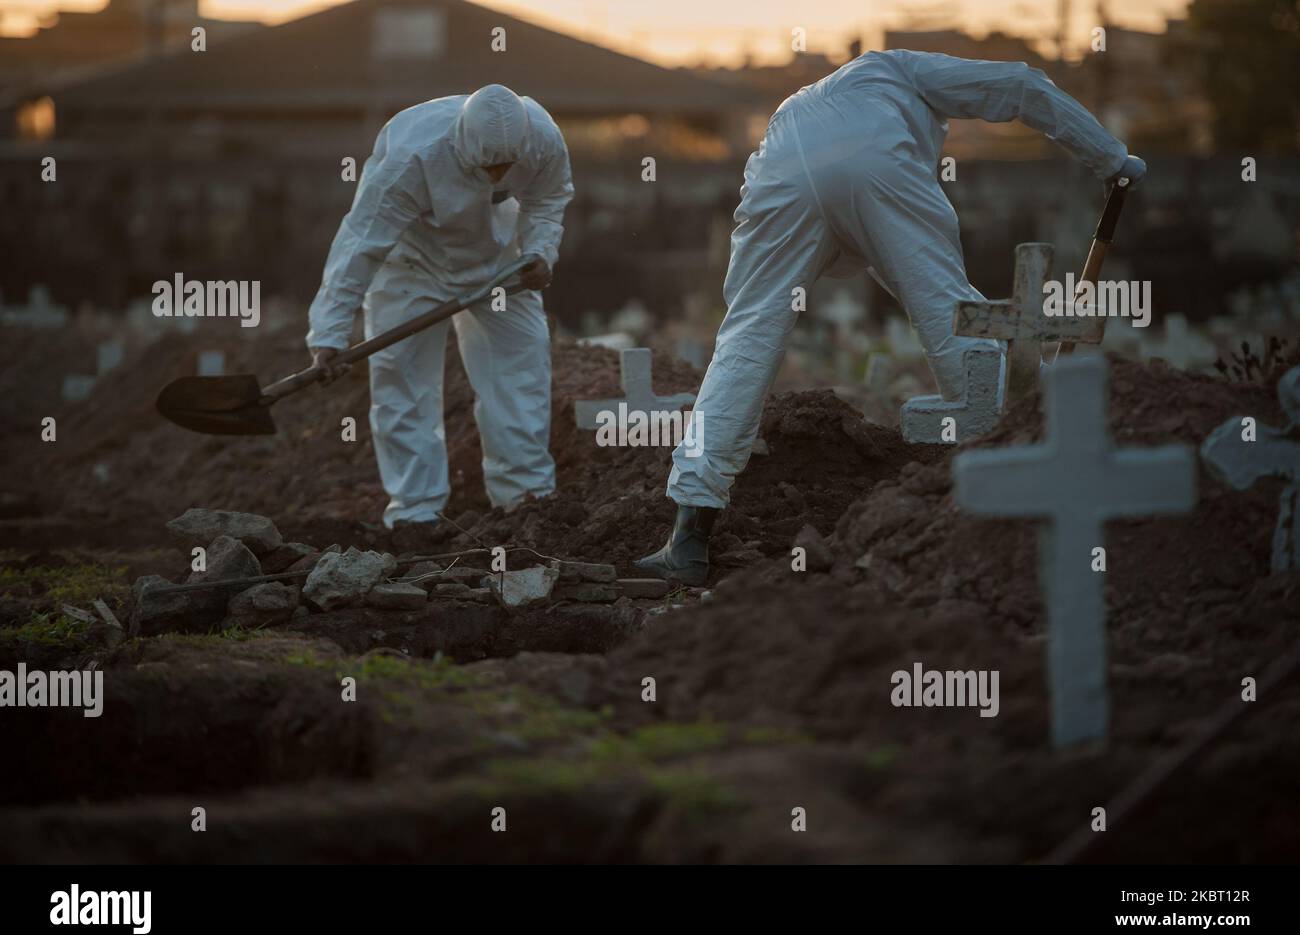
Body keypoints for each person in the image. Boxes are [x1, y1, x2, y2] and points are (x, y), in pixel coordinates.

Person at [634, 50, 1146, 585]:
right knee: (952, 317)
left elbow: (760, 251)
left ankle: (689, 537)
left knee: (745, 337)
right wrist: (1110, 158)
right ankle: (1020, 472)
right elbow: (1019, 85)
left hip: (781, 167)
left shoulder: (800, 108)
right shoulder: (898, 67)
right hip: (876, 164)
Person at [306, 85, 574, 534]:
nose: (500, 174)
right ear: (461, 145)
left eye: (507, 167)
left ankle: (526, 502)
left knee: (521, 371)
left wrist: (542, 252)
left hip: (501, 266)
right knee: (404, 381)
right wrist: (329, 334)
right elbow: (360, 245)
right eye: (490, 167)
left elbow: (548, 200)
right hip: (413, 267)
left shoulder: (543, 138)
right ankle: (416, 514)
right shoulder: (411, 157)